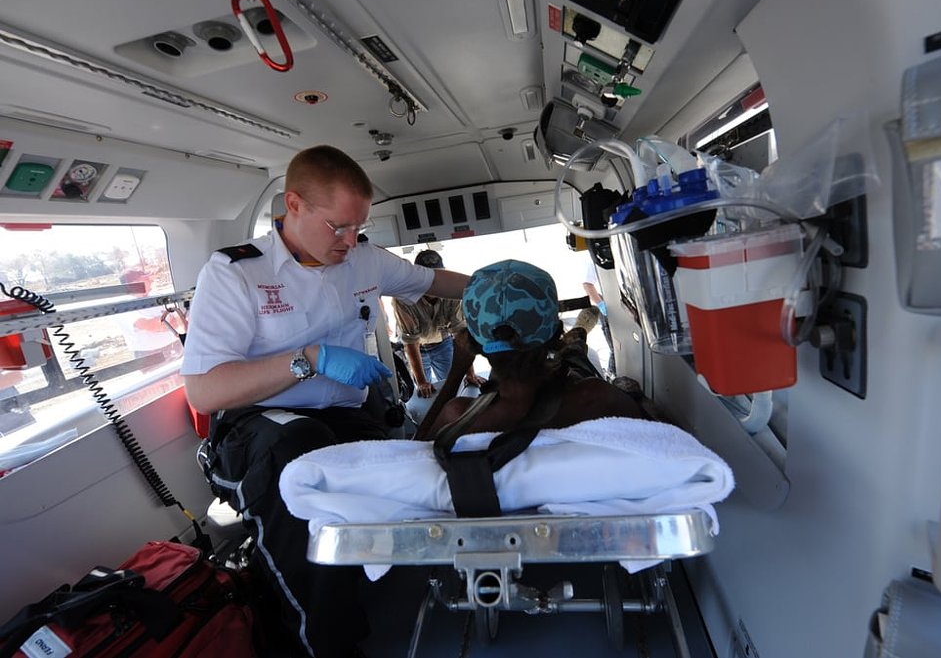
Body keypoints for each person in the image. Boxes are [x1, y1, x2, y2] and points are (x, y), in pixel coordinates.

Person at [181, 145, 470, 658]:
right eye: (337, 226)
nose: (349, 240)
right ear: (293, 205)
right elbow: (204, 391)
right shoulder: (235, 273)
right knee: (299, 454)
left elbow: (435, 283)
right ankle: (324, 645)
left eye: (357, 227)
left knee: (409, 463)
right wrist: (309, 358)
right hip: (256, 428)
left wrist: (497, 285)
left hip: (346, 416)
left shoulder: (364, 262)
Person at [415, 259, 645, 442]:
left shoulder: (458, 416)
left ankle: (578, 334)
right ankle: (577, 334)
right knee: (574, 357)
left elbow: (413, 453)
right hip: (559, 370)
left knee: (573, 355)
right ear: (554, 331)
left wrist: (456, 373)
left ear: (473, 344)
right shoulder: (597, 397)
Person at [391, 249, 483, 398]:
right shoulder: (402, 299)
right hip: (417, 349)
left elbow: (460, 333)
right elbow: (411, 343)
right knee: (423, 392)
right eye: (426, 278)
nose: (432, 283)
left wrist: (470, 373)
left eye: (436, 278)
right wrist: (421, 382)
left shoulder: (453, 293)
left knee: (454, 387)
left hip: (443, 344)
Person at [582, 256, 616, 378]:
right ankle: (613, 375)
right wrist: (601, 304)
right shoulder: (596, 258)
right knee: (615, 348)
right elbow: (587, 284)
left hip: (622, 302)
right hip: (608, 305)